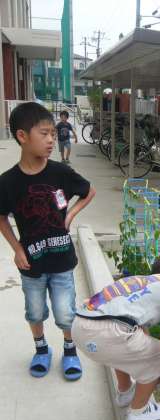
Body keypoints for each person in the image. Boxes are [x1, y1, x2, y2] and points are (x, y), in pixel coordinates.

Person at [0, 102, 96, 380]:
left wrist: (71, 215)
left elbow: (89, 192)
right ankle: (41, 349)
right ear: (22, 136)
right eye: (44, 134)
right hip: (31, 263)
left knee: (65, 313)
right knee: (35, 311)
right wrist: (17, 249)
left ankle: (69, 350)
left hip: (62, 260)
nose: (51, 140)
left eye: (53, 134)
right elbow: (1, 217)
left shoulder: (60, 173)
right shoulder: (8, 182)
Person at [72, 252, 160, 420]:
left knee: (126, 345)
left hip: (80, 325)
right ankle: (139, 411)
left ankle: (125, 391)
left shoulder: (143, 282)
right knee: (159, 355)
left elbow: (137, 328)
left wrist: (153, 359)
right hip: (107, 332)